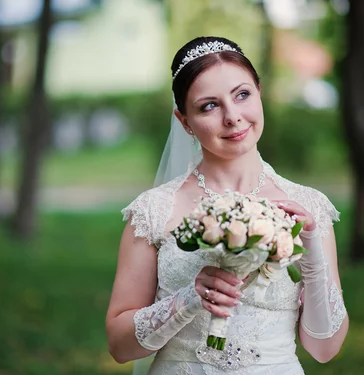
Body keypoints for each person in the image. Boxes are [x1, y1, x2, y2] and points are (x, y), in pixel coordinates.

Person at [105, 36, 349, 375]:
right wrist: (187, 300)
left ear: (259, 93)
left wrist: (311, 253)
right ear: (185, 121)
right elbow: (119, 346)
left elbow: (325, 348)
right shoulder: (154, 211)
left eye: (242, 95)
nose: (233, 117)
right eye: (209, 106)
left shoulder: (308, 207)